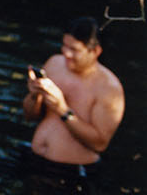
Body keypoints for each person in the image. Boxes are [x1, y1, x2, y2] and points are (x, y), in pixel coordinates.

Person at [23, 16, 124, 168]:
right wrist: (34, 94)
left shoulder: (109, 88)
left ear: (95, 51)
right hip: (34, 159)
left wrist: (62, 109)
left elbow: (100, 144)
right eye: (65, 46)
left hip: (71, 171)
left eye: (74, 50)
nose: (66, 54)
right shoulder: (54, 63)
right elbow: (29, 116)